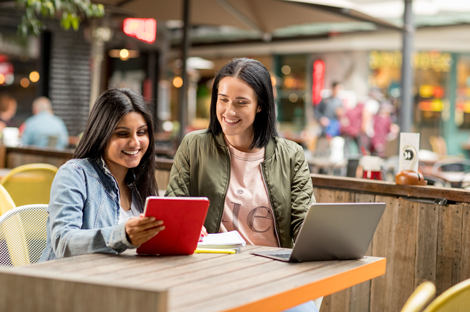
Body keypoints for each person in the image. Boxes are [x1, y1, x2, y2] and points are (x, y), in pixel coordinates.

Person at [166, 58, 318, 312]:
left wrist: (319, 240)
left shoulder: (291, 154)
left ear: (260, 106)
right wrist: (188, 230)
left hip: (274, 276)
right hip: (210, 275)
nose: (229, 111)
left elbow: (304, 224)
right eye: (223, 99)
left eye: (241, 102)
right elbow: (174, 210)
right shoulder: (194, 146)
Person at [40, 88, 165, 261]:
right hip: (71, 283)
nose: (135, 142)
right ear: (101, 134)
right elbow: (64, 243)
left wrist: (177, 233)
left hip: (121, 279)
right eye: (123, 134)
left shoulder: (139, 184)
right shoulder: (74, 174)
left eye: (141, 132)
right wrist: (123, 236)